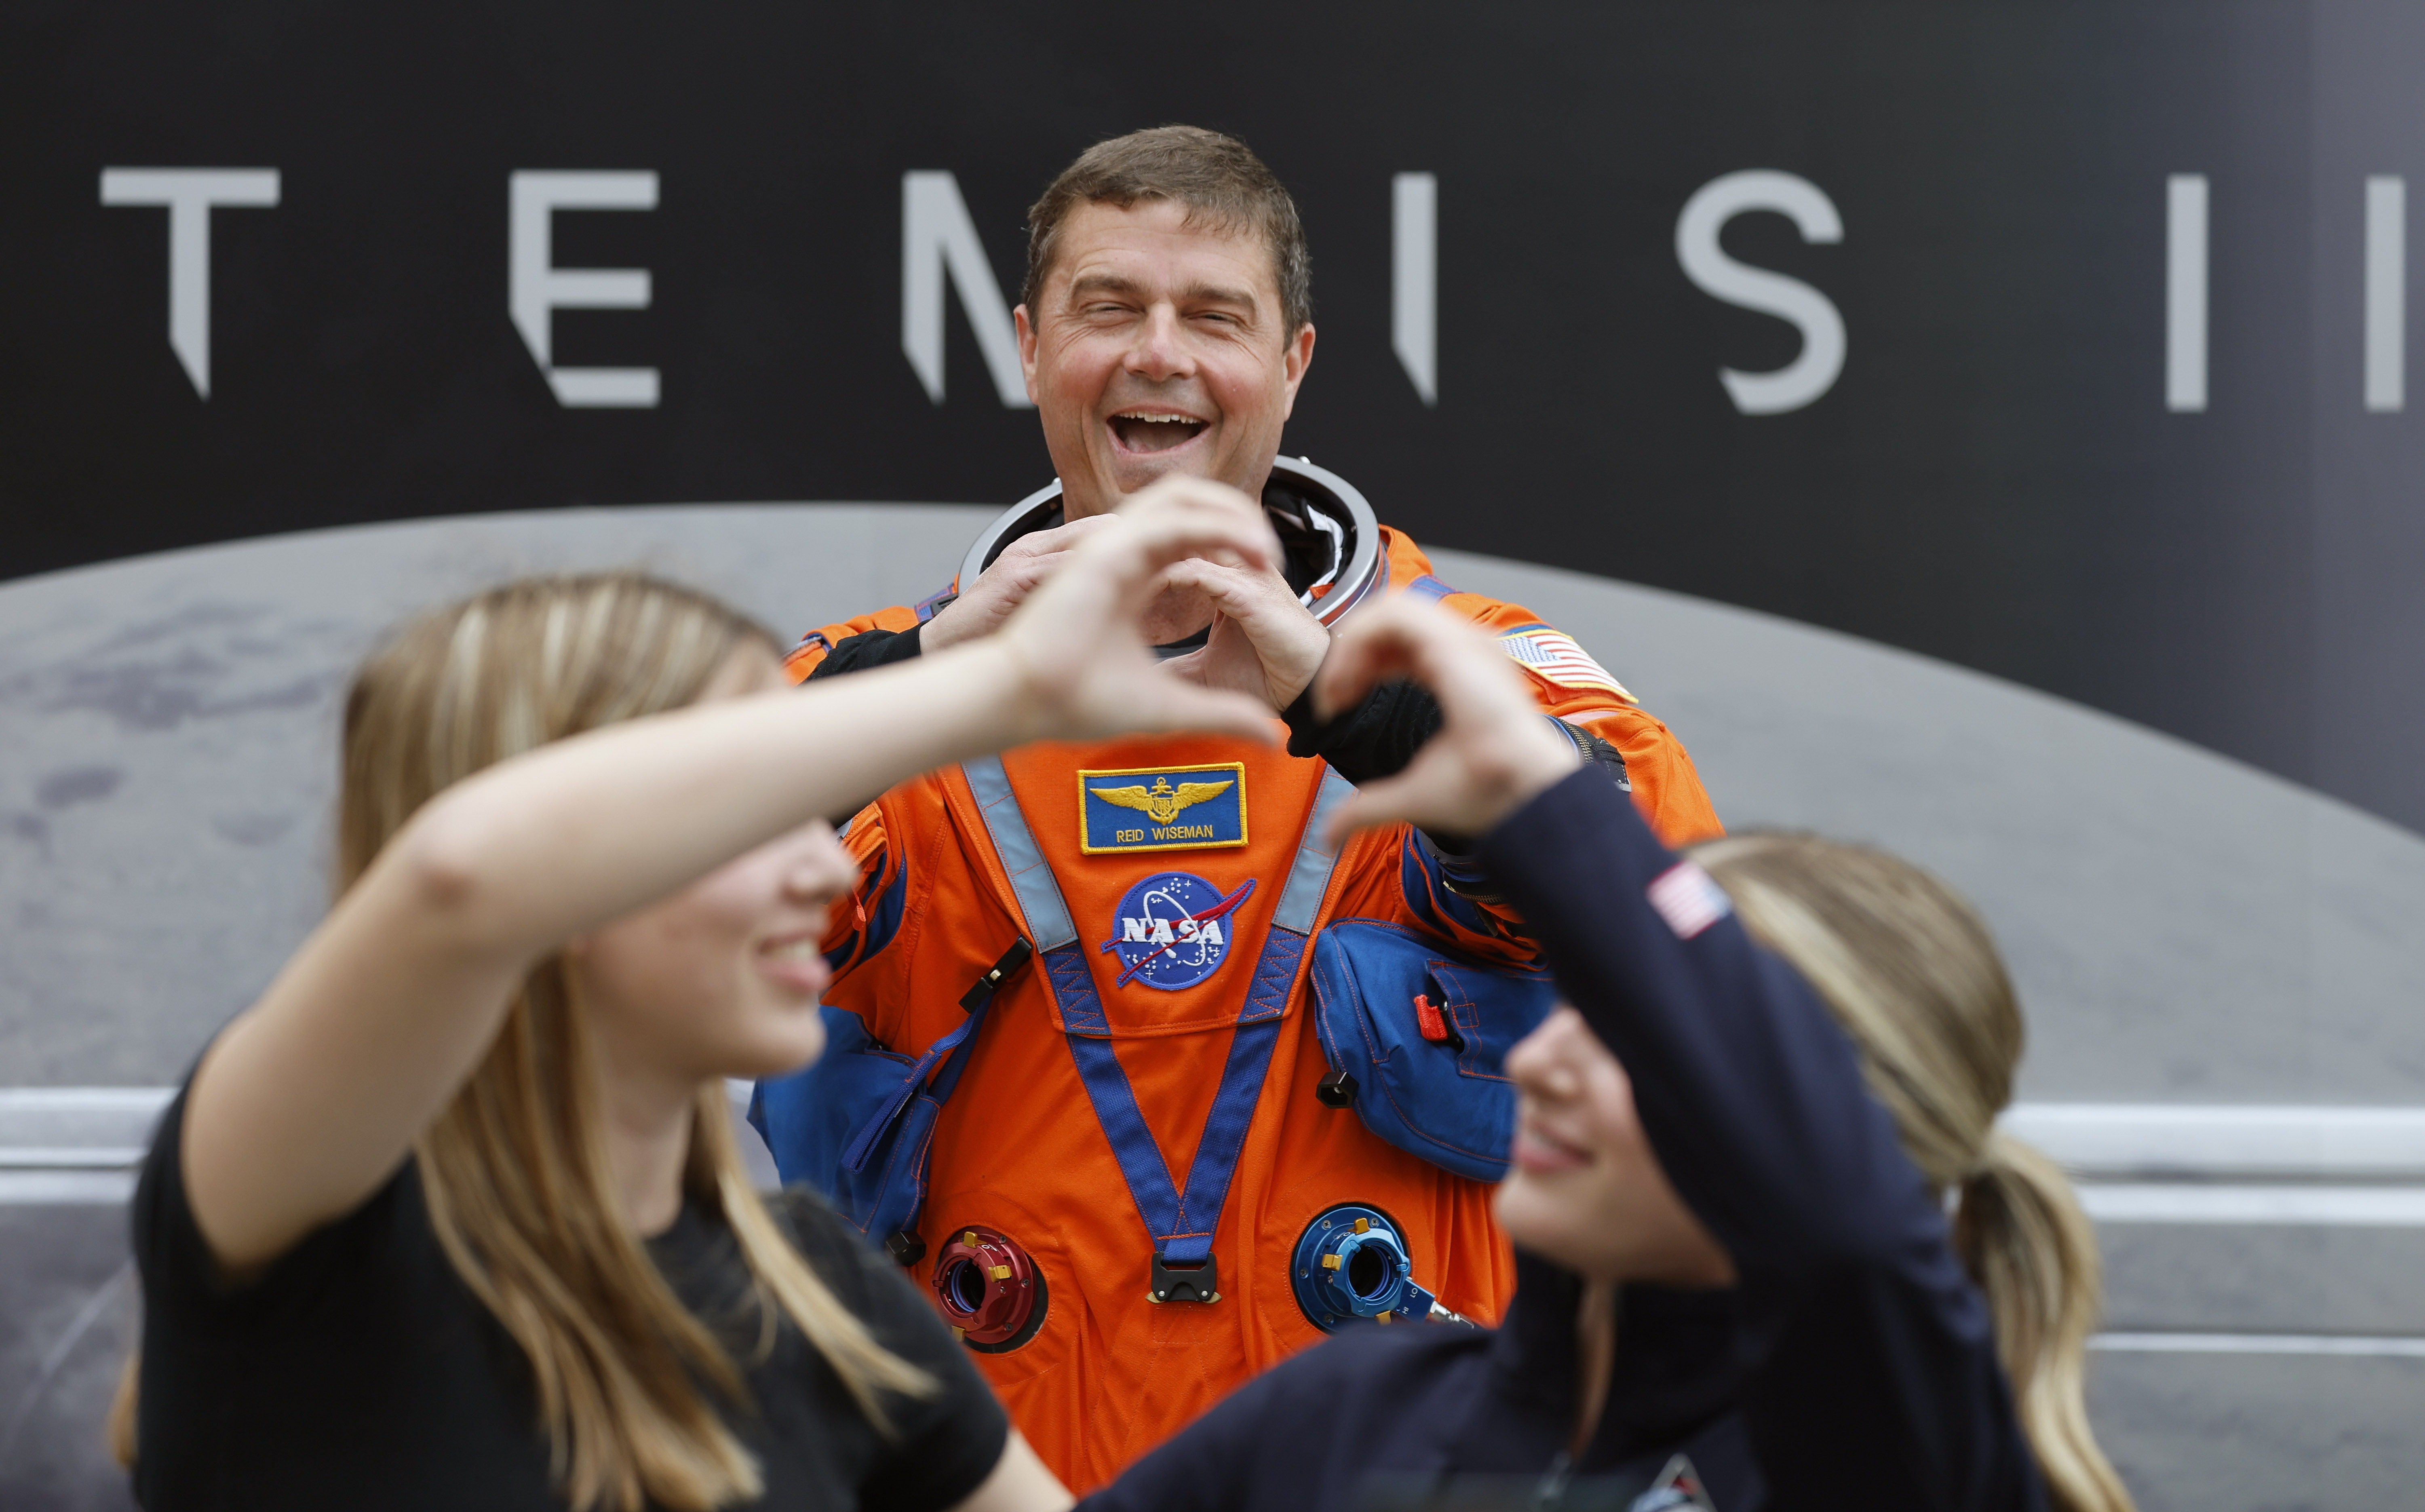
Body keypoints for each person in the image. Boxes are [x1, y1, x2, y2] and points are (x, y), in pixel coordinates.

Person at [756, 124, 1720, 1492]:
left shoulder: (1477, 674)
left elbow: (1674, 921)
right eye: (1109, 310)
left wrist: (1356, 701)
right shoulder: (864, 698)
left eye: (1215, 317)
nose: (1161, 355)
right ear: (1031, 348)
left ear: (1292, 363)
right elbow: (621, 901)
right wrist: (922, 678)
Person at [113, 484, 1289, 1512]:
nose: (826, 866)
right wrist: (1006, 686)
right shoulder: (312, 1234)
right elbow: (460, 877)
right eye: (746, 812)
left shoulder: (818, 1306)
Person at [1080, 594, 2134, 1511]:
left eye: (1640, 1039)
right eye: (1577, 1009)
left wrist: (1545, 804)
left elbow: (1846, 1245)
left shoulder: (1877, 1468)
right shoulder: (1361, 1414)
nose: (1539, 1065)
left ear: (1831, 1127)